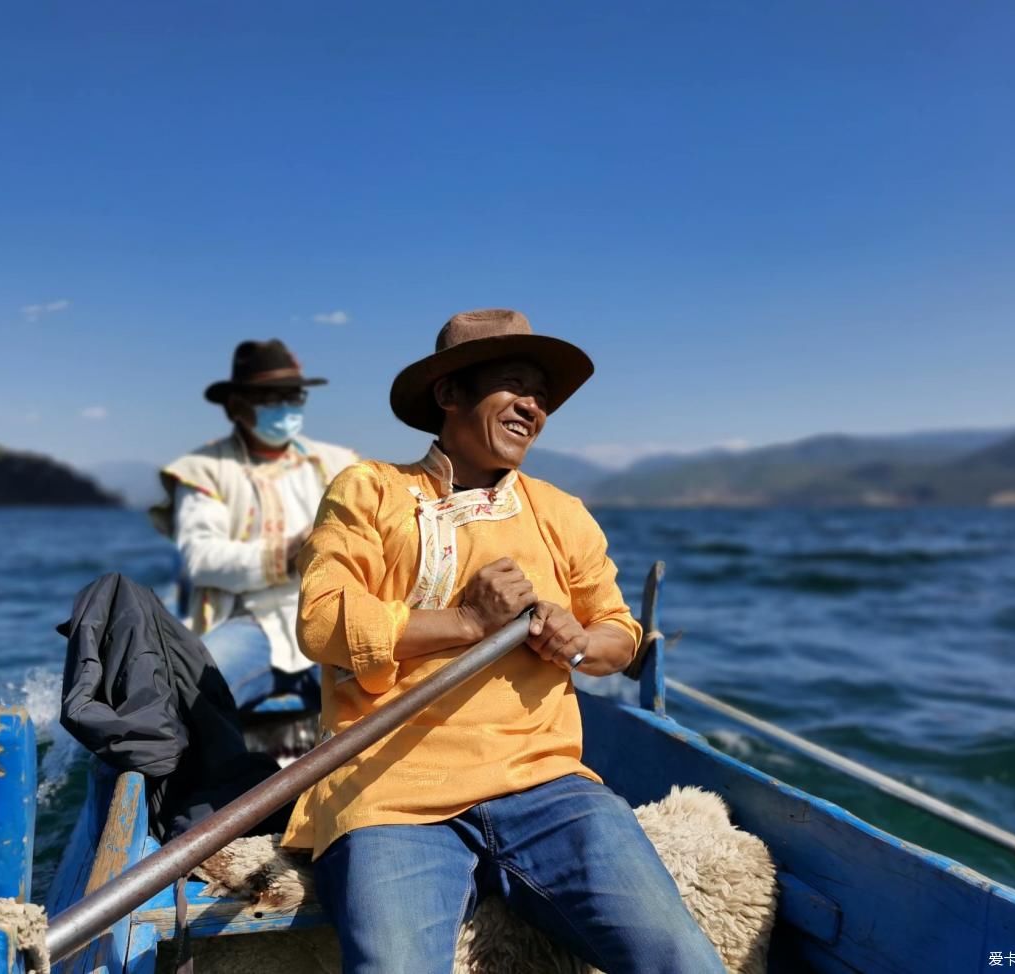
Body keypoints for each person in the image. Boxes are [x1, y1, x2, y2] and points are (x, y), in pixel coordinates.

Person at [281, 310, 724, 974]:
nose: (533, 407)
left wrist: (578, 642)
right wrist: (468, 623)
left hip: (546, 784)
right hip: (390, 788)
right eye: (514, 385)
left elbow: (620, 636)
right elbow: (323, 622)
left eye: (541, 397)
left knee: (682, 959)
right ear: (449, 394)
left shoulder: (561, 512)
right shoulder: (369, 490)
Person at [150, 339, 357, 711]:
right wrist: (290, 553)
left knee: (400, 688)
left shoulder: (340, 463)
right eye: (270, 398)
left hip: (334, 616)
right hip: (249, 621)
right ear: (236, 407)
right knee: (182, 695)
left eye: (293, 398)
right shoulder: (203, 471)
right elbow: (201, 559)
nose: (286, 409)